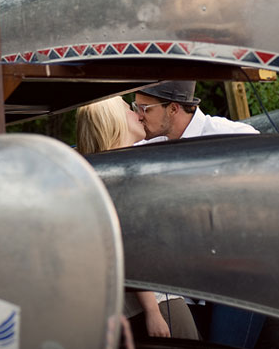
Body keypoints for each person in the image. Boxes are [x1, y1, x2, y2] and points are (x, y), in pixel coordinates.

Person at [131, 80, 264, 348]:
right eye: (136, 108)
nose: (138, 115)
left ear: (174, 108)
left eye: (145, 108)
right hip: (186, 287)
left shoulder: (233, 136)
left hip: (236, 280)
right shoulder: (148, 147)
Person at [77, 96, 200, 341]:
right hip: (157, 302)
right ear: (114, 122)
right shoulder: (120, 176)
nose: (139, 115)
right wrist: (153, 311)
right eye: (130, 110)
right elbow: (131, 246)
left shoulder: (95, 175)